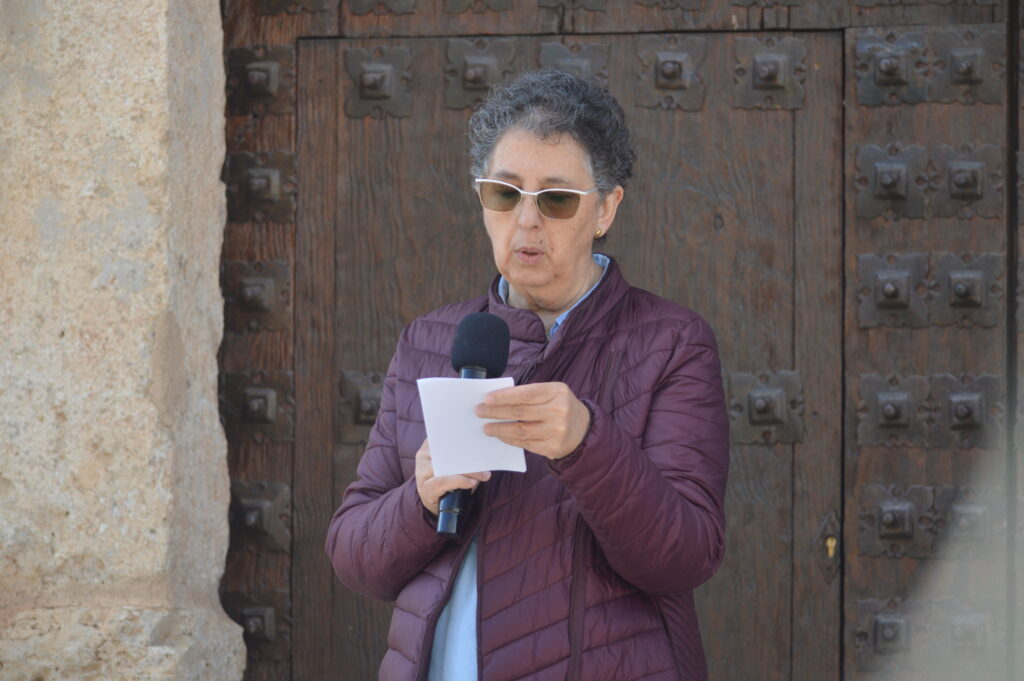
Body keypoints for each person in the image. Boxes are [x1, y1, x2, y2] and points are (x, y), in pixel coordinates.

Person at [326, 69, 730, 681]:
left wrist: (588, 445)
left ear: (605, 210)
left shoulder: (671, 342)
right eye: (505, 193)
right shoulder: (430, 342)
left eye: (557, 198)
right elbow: (355, 558)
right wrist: (419, 500)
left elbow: (686, 556)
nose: (527, 220)